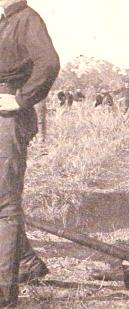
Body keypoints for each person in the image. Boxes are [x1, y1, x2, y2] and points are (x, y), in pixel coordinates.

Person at [0, 0, 60, 306]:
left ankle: (5, 296)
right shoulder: (5, 21)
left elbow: (48, 64)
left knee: (4, 206)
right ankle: (26, 264)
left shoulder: (26, 18)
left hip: (8, 119)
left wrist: (21, 100)